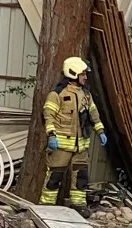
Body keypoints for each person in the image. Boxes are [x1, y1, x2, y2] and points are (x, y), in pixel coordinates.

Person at [39, 56, 107, 218]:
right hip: (61, 146)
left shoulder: (86, 95)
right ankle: (46, 206)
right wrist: (51, 135)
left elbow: (93, 115)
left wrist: (101, 131)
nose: (85, 77)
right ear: (73, 73)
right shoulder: (57, 94)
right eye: (82, 74)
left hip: (81, 146)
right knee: (55, 176)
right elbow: (49, 116)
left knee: (81, 177)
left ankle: (79, 205)